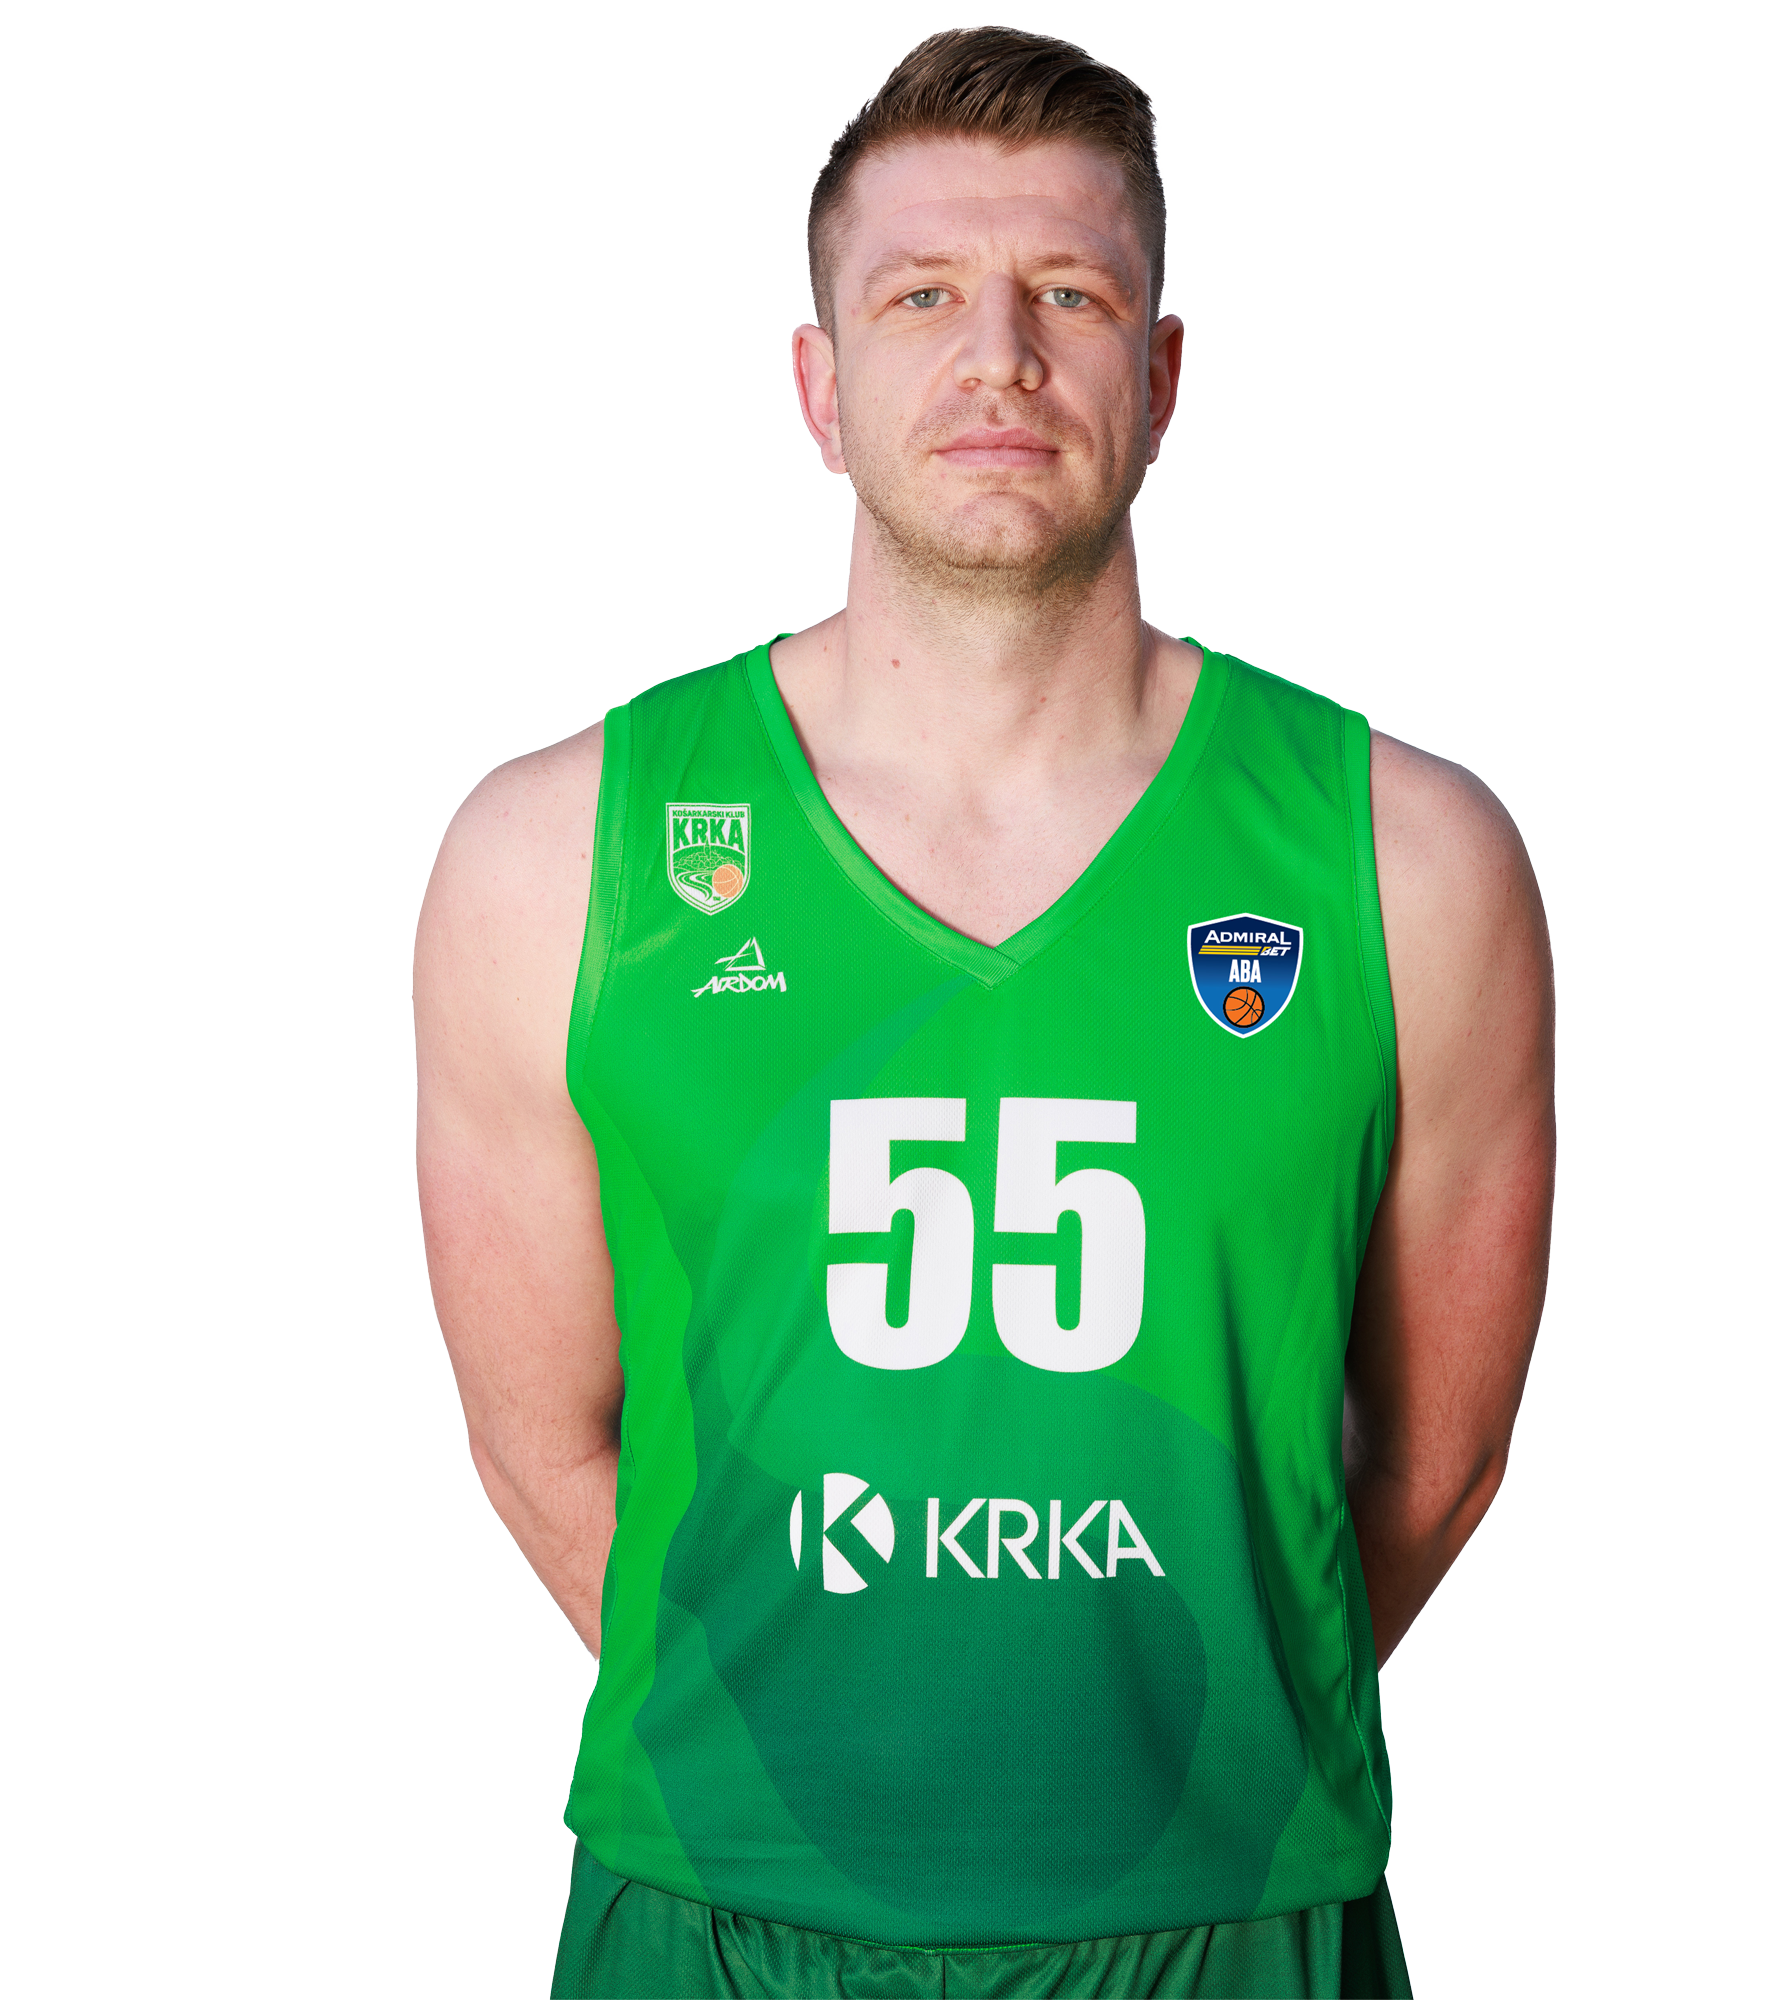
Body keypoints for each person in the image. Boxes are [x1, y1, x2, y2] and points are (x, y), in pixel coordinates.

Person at [415, 26, 1555, 1999]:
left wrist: (1153, 1755)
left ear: (1162, 375)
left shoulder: (1408, 863)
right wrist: (839, 1757)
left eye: (1070, 296)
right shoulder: (558, 859)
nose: (999, 356)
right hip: (722, 1922)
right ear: (818, 385)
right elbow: (544, 1439)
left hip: (1228, 1922)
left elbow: (1431, 1465)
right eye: (922, 296)